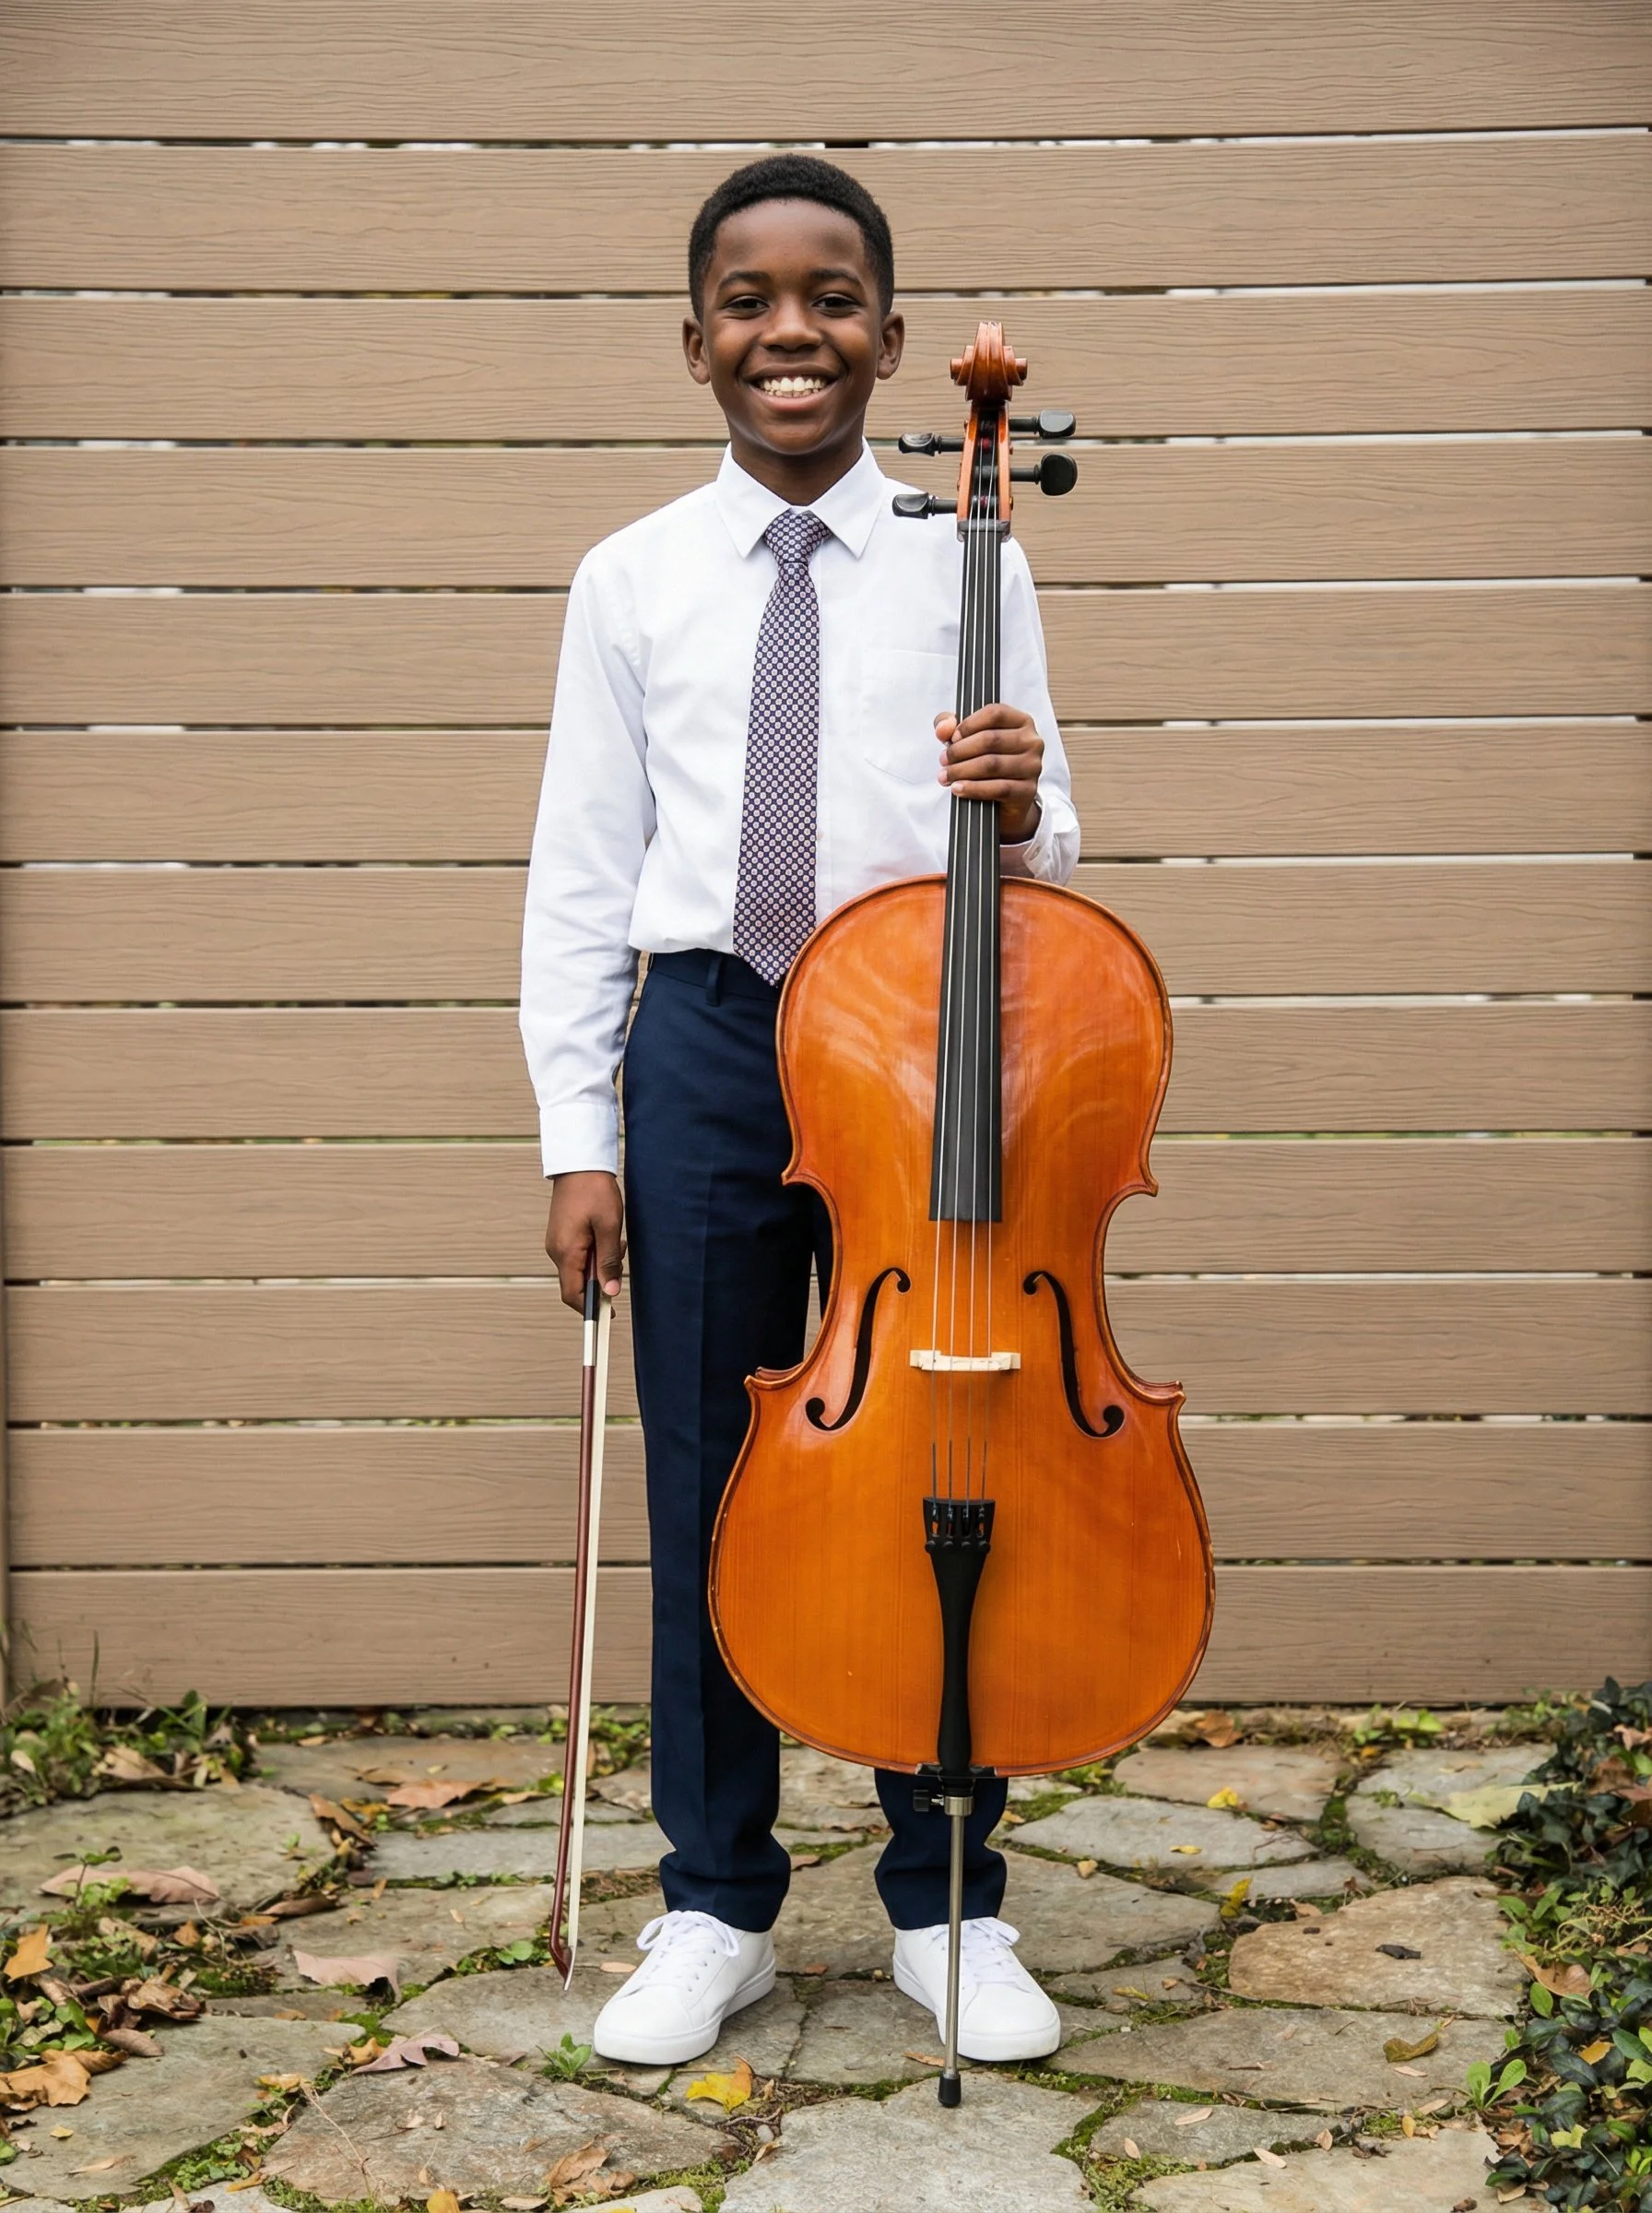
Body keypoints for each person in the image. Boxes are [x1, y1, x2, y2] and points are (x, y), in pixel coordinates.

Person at [520, 154, 1079, 2068]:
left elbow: (1051, 846)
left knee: (945, 1451)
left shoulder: (971, 554)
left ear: (892, 341)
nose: (791, 332)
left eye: (831, 299)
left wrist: (1016, 798)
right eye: (749, 301)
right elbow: (582, 875)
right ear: (694, 343)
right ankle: (714, 1900)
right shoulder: (628, 579)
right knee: (712, 1474)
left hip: (916, 1045)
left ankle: (944, 1896)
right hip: (697, 1039)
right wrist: (573, 1135)